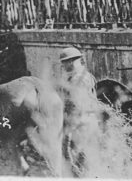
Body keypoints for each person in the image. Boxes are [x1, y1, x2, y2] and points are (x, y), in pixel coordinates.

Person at [58, 47, 97, 175]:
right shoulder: (85, 76)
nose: (63, 66)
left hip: (80, 126)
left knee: (76, 162)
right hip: (86, 124)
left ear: (70, 62)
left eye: (64, 63)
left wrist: (68, 132)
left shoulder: (77, 80)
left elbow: (76, 106)